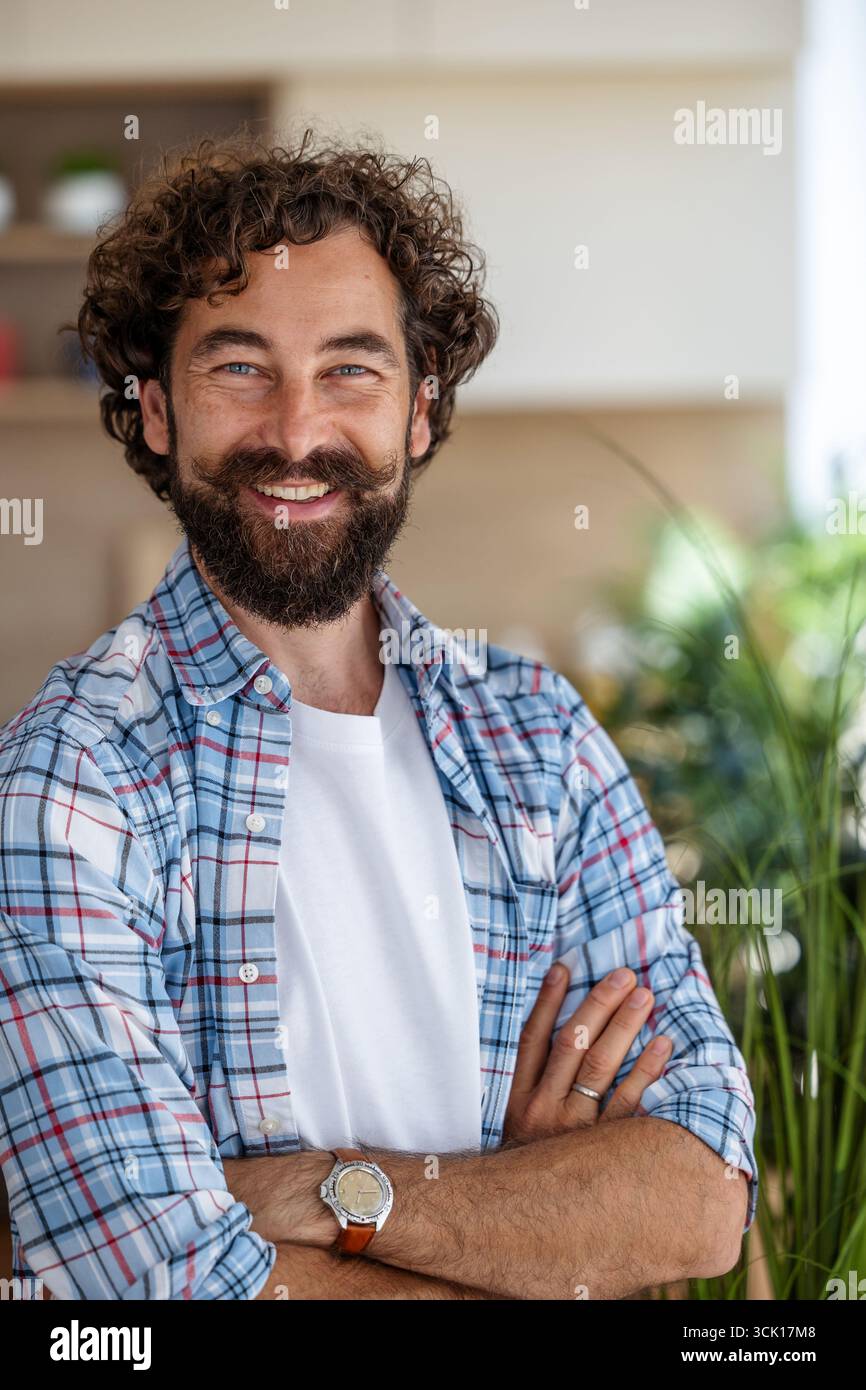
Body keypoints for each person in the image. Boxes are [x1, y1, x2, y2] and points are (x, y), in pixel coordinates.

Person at [0, 130, 757, 1300]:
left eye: (351, 368)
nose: (297, 433)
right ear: (154, 411)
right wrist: (533, 1220)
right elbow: (156, 1287)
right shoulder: (72, 783)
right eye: (238, 368)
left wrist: (316, 1191)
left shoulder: (539, 743)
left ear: (417, 409)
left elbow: (699, 1195)